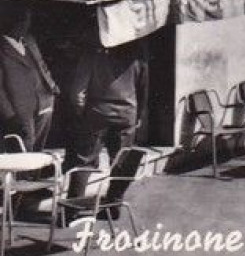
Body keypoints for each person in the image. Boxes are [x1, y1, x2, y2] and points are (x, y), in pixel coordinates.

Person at [66, 39, 146, 172]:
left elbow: (77, 93)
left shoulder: (92, 55)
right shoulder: (137, 58)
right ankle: (115, 193)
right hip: (126, 115)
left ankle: (77, 193)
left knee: (84, 161)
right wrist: (138, 116)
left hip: (96, 114)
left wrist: (82, 113)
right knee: (121, 161)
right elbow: (143, 90)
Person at [0, 9, 58, 150]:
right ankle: (24, 173)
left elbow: (42, 64)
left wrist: (52, 87)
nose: (27, 24)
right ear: (13, 23)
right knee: (24, 146)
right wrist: (8, 112)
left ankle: (34, 173)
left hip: (43, 101)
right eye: (25, 21)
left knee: (39, 146)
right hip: (19, 108)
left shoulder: (29, 39)